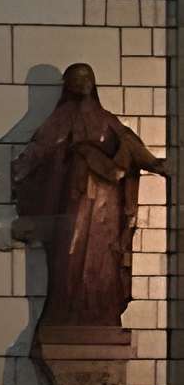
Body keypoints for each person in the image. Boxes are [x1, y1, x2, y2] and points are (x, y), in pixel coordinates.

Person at [12, 63, 166, 326]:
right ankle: (68, 311)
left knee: (104, 254)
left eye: (87, 78)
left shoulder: (106, 119)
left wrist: (155, 164)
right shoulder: (63, 118)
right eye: (77, 78)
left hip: (107, 200)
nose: (83, 83)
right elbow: (41, 147)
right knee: (71, 251)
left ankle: (100, 312)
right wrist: (20, 169)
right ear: (69, 85)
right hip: (78, 194)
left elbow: (130, 143)